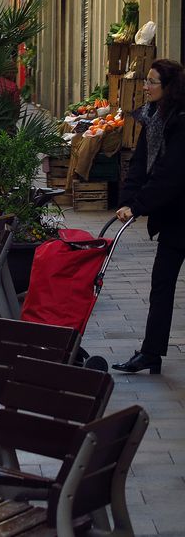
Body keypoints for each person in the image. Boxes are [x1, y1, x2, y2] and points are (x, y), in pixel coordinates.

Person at [112, 59, 185, 375]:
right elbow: (140, 163)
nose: (145, 86)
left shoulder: (181, 121)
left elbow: (171, 174)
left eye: (152, 81)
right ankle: (151, 353)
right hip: (173, 219)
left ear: (168, 87)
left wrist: (141, 204)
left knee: (163, 282)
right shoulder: (152, 117)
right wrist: (128, 200)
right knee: (161, 284)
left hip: (182, 211)